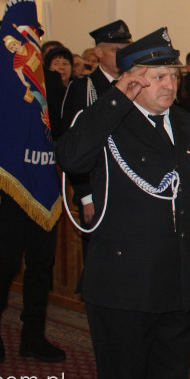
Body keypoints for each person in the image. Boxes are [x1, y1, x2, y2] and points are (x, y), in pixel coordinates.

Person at [57, 28, 190, 379]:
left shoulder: (185, 123)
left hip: (178, 278)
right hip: (124, 284)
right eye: (158, 76)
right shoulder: (105, 120)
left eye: (174, 76)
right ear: (131, 80)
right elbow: (72, 159)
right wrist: (115, 100)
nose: (170, 84)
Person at [61, 19, 133, 225]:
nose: (122, 55)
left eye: (126, 50)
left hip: (131, 186)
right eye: (116, 50)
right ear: (99, 53)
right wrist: (86, 196)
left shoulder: (136, 85)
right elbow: (73, 145)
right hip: (98, 188)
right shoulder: (84, 87)